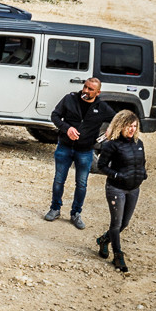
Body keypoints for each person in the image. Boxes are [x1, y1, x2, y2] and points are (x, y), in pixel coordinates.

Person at [46, 77, 115, 229]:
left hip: (85, 151)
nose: (85, 91)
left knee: (82, 184)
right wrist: (67, 128)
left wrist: (110, 131)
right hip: (64, 147)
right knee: (59, 180)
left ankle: (76, 213)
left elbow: (117, 119)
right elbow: (55, 116)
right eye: (85, 87)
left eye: (90, 89)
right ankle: (55, 209)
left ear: (98, 92)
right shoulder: (70, 98)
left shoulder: (102, 107)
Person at [95, 111, 147, 273]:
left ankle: (104, 240)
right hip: (116, 188)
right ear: (120, 126)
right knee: (116, 224)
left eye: (134, 126)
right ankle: (118, 255)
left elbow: (142, 161)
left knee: (124, 223)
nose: (132, 129)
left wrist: (143, 173)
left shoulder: (139, 143)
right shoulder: (111, 145)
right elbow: (101, 166)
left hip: (134, 189)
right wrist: (117, 175)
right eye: (128, 126)